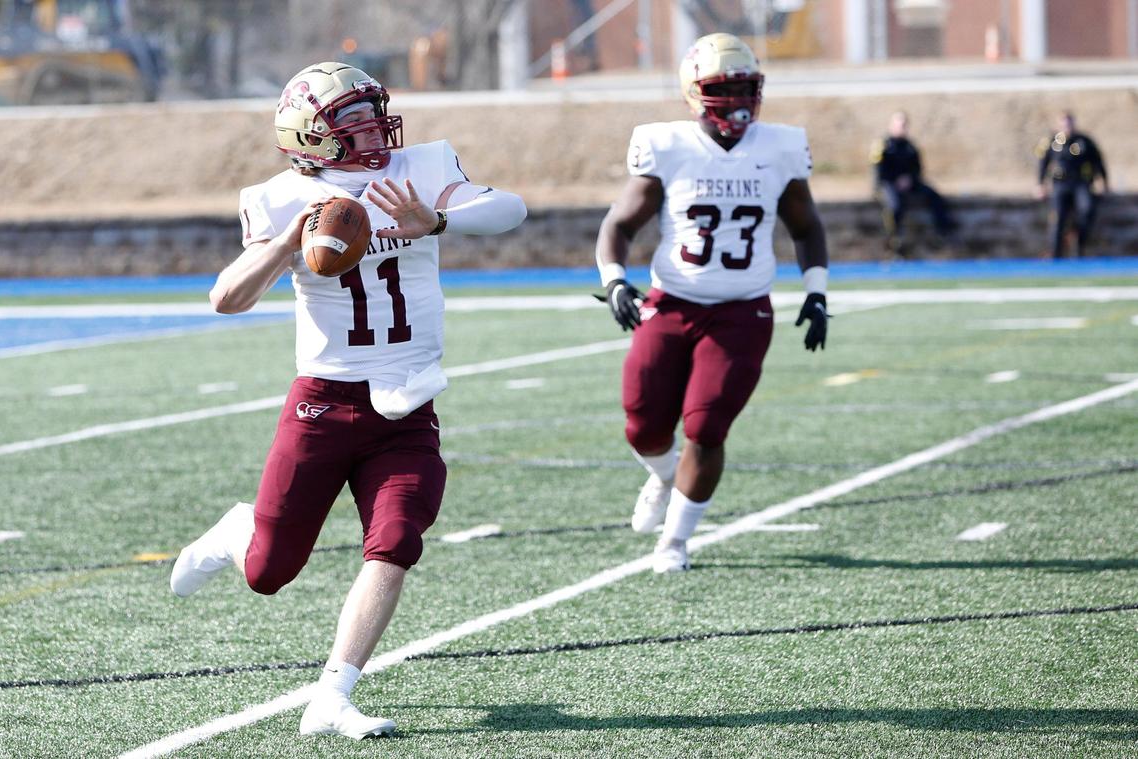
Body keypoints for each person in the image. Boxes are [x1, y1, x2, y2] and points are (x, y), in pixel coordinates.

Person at [169, 61, 526, 740]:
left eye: (372, 113)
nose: (371, 130)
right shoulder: (278, 199)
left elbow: (511, 209)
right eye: (351, 121)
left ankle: (333, 693)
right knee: (269, 572)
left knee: (394, 541)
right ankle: (236, 530)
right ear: (311, 137)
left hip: (408, 397)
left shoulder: (421, 166)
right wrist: (286, 244)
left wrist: (438, 220)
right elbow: (225, 299)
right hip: (324, 401)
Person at [594, 33, 830, 574]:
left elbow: (806, 226)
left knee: (705, 425)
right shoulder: (667, 145)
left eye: (746, 87)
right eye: (723, 89)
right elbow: (620, 224)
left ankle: (674, 541)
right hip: (672, 301)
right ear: (693, 93)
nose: (737, 100)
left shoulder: (780, 146)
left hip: (742, 310)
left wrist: (816, 291)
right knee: (642, 424)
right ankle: (661, 476)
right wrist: (614, 281)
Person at [870, 110, 957, 256]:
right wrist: (894, 181)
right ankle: (894, 240)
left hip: (908, 184)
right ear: (891, 125)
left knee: (934, 196)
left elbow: (917, 169)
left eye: (904, 125)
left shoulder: (910, 146)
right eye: (898, 124)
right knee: (895, 205)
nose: (901, 128)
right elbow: (879, 172)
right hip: (887, 184)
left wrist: (909, 179)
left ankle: (943, 233)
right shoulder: (882, 145)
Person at [1035, 111, 1109, 259]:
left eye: (1069, 123)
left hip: (1081, 183)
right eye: (1064, 123)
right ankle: (1056, 256)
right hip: (1060, 184)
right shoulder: (1052, 141)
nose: (1067, 126)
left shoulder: (1084, 141)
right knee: (1058, 218)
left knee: (1087, 210)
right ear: (1059, 125)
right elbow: (1043, 163)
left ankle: (1078, 247)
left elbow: (1098, 161)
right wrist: (1040, 184)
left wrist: (1104, 181)